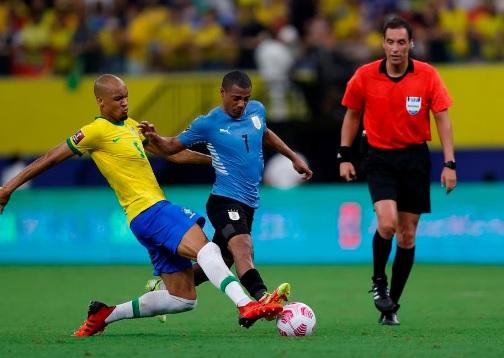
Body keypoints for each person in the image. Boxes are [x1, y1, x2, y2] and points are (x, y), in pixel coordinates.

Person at [0, 74, 283, 336]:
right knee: (207, 249)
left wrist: (220, 162)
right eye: (117, 98)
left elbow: (174, 155)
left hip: (142, 220)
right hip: (150, 209)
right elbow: (50, 157)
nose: (124, 102)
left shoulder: (133, 127)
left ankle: (105, 315)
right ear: (100, 101)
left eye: (126, 97)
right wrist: (8, 188)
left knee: (182, 299)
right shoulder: (94, 131)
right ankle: (246, 304)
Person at [139, 70, 313, 316]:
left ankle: (162, 284)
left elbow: (264, 131)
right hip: (224, 200)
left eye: (245, 98)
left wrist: (293, 156)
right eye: (235, 98)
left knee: (222, 262)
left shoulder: (256, 110)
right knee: (243, 247)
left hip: (249, 202)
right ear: (222, 93)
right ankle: (263, 297)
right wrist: (154, 137)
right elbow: (171, 147)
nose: (241, 104)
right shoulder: (208, 124)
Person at [338, 17, 457, 325]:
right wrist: (345, 156)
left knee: (407, 235)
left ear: (411, 45)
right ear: (383, 44)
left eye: (401, 42)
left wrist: (449, 163)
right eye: (390, 42)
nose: (395, 48)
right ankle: (379, 282)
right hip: (380, 159)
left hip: (415, 160)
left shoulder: (427, 75)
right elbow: (352, 115)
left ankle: (392, 305)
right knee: (388, 223)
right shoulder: (365, 76)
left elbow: (442, 117)